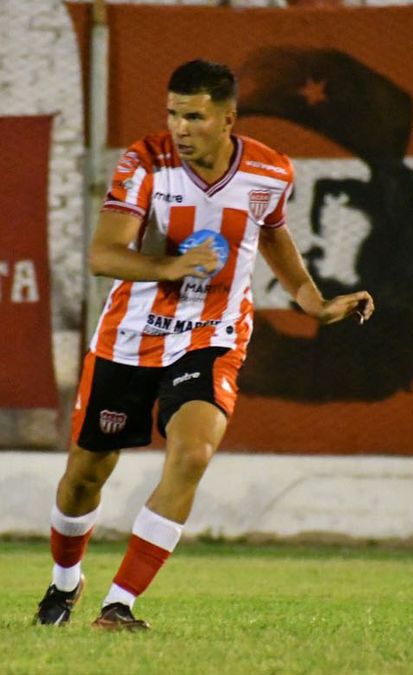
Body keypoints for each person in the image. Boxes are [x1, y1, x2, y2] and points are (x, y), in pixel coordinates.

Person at [32, 59, 373, 631]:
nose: (179, 127)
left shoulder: (270, 171)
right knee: (86, 474)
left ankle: (119, 605)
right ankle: (65, 583)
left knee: (192, 453)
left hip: (211, 336)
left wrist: (313, 301)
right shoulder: (145, 162)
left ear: (228, 119)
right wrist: (170, 264)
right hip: (132, 336)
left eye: (193, 116)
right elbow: (103, 255)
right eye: (172, 114)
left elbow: (272, 234)